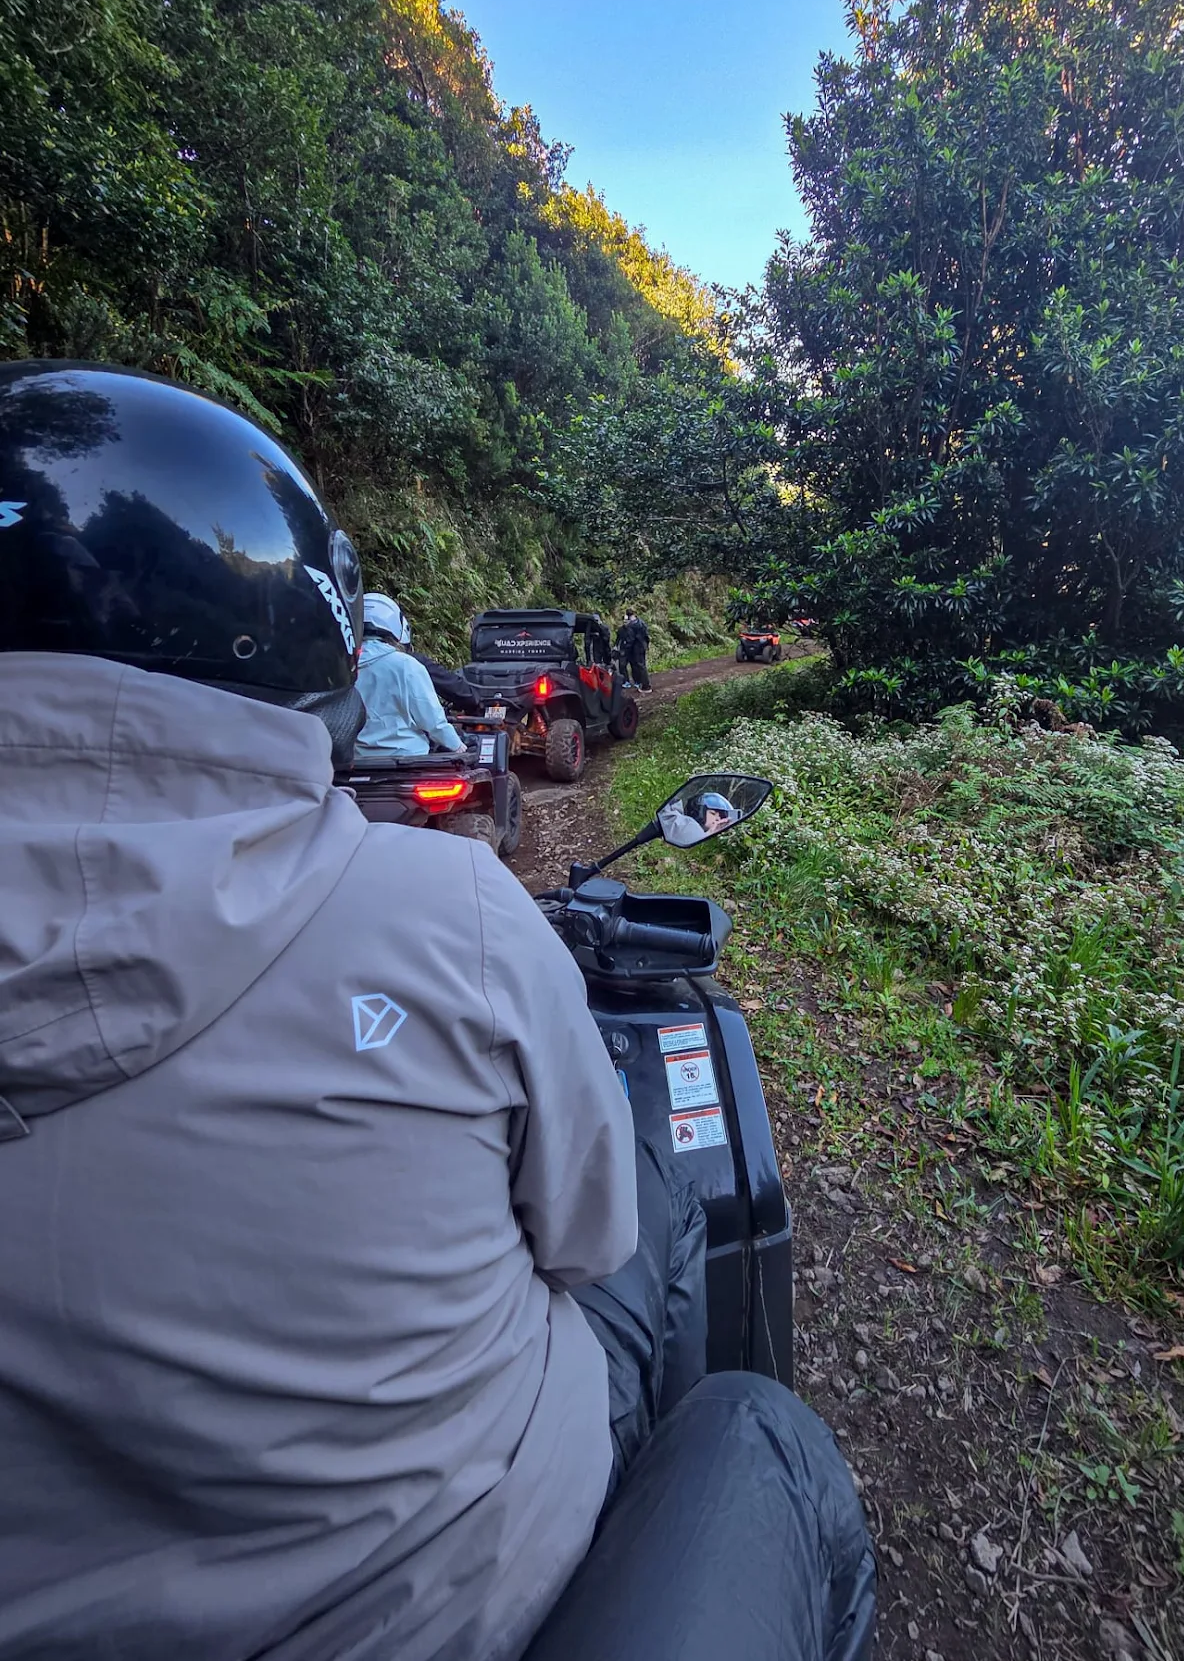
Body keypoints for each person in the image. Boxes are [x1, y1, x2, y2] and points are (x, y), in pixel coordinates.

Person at [0, 363, 707, 1661]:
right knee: (737, 1385)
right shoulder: (460, 912)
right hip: (453, 1595)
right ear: (300, 636)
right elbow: (588, 1239)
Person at [353, 590, 466, 759]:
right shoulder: (407, 666)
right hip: (406, 758)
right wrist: (457, 745)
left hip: (355, 759)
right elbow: (433, 721)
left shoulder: (339, 667)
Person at [616, 607, 651, 692]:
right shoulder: (641, 622)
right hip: (642, 647)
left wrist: (626, 650)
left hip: (636, 648)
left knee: (640, 666)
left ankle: (646, 686)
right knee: (642, 666)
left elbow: (630, 640)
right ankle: (643, 684)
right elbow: (646, 636)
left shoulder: (631, 626)